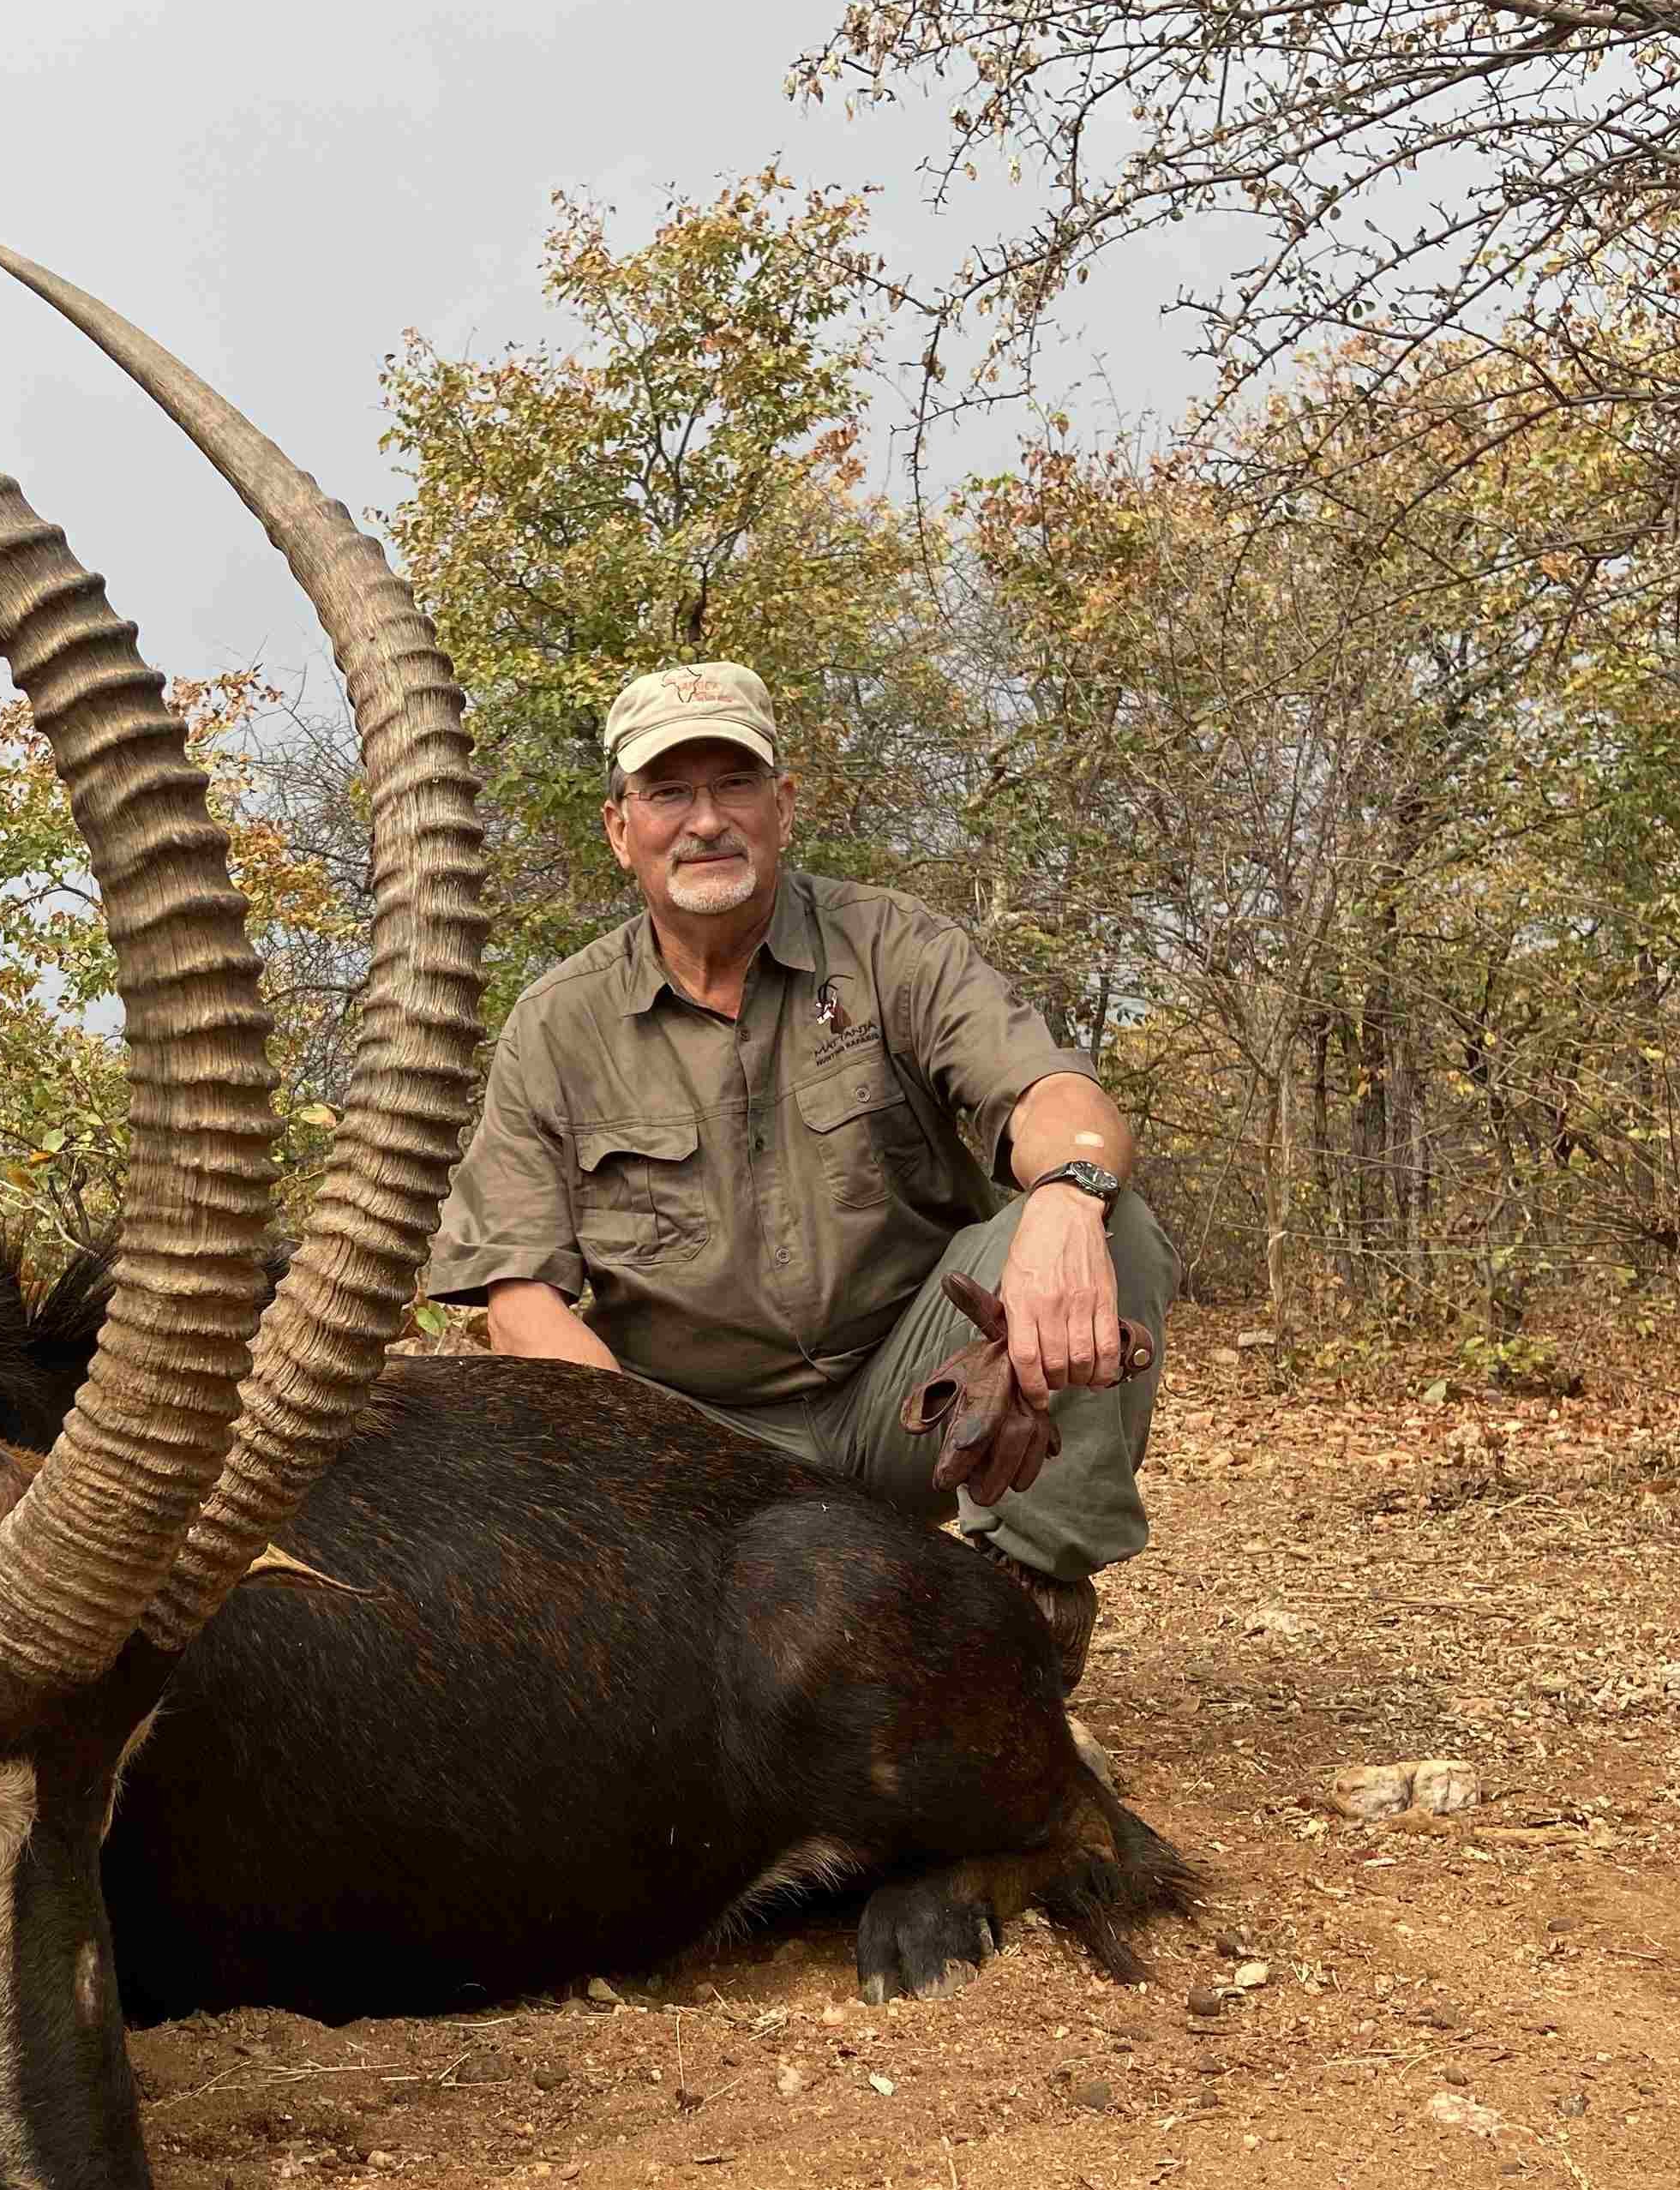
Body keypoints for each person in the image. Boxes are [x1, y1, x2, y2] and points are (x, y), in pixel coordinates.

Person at [423, 662, 1179, 1691]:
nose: (705, 822)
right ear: (619, 827)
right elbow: (518, 1303)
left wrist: (1068, 1197)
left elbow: (1055, 1097)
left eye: (734, 783)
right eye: (669, 792)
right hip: (701, 1440)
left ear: (782, 804)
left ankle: (1025, 1634)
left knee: (1111, 1224)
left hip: (916, 1403)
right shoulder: (558, 1024)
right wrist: (650, 1482)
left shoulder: (889, 945)